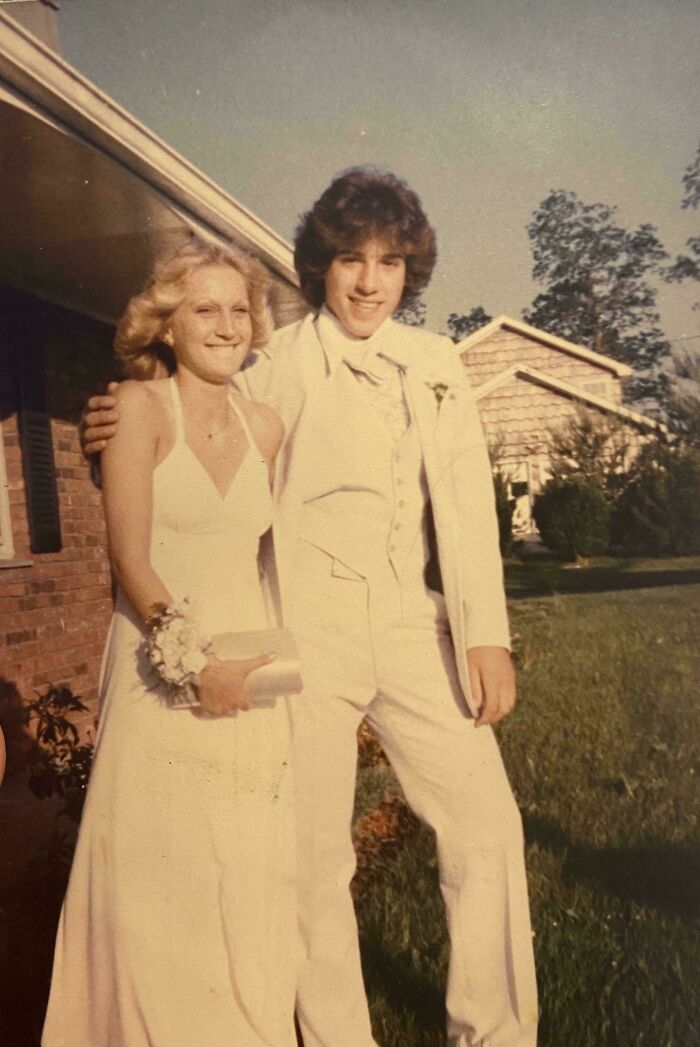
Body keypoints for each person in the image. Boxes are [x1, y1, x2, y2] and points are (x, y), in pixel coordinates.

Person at [83, 169, 538, 1047]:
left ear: (411, 272)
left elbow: (468, 512)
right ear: (319, 268)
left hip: (413, 621)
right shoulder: (273, 364)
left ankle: (496, 1030)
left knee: (487, 825)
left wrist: (486, 634)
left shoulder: (436, 365)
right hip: (307, 626)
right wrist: (106, 416)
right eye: (350, 260)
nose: (370, 281)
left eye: (390, 263)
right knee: (314, 858)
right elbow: (185, 414)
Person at [43, 240, 298, 1047]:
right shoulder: (139, 410)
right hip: (163, 661)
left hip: (249, 673)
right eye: (203, 309)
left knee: (243, 869)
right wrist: (195, 664)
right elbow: (130, 558)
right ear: (167, 324)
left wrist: (253, 668)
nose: (224, 326)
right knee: (163, 875)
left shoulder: (267, 425)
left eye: (236, 310)